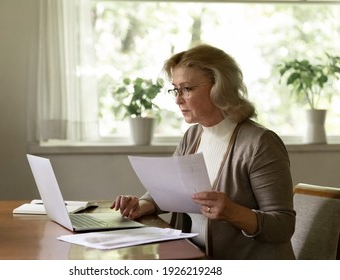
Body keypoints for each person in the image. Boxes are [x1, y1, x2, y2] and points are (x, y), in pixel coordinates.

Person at [111, 44, 296, 260]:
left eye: (187, 89)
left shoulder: (260, 143)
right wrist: (141, 205)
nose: (178, 99)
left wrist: (233, 212)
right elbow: (169, 190)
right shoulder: (193, 136)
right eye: (175, 89)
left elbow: (283, 226)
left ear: (220, 87)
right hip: (195, 257)